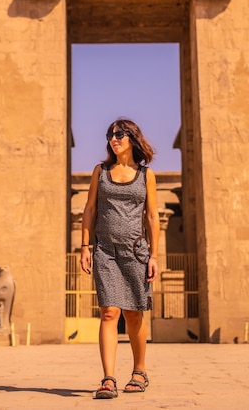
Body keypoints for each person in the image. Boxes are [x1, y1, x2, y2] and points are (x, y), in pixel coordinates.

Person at [80, 118, 159, 399]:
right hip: (105, 251)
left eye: (120, 134)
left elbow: (151, 216)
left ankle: (139, 371)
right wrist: (85, 246)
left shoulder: (146, 175)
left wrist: (154, 256)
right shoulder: (100, 172)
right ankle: (108, 378)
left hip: (136, 251)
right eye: (110, 135)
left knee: (134, 314)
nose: (114, 139)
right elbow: (89, 210)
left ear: (132, 138)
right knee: (109, 312)